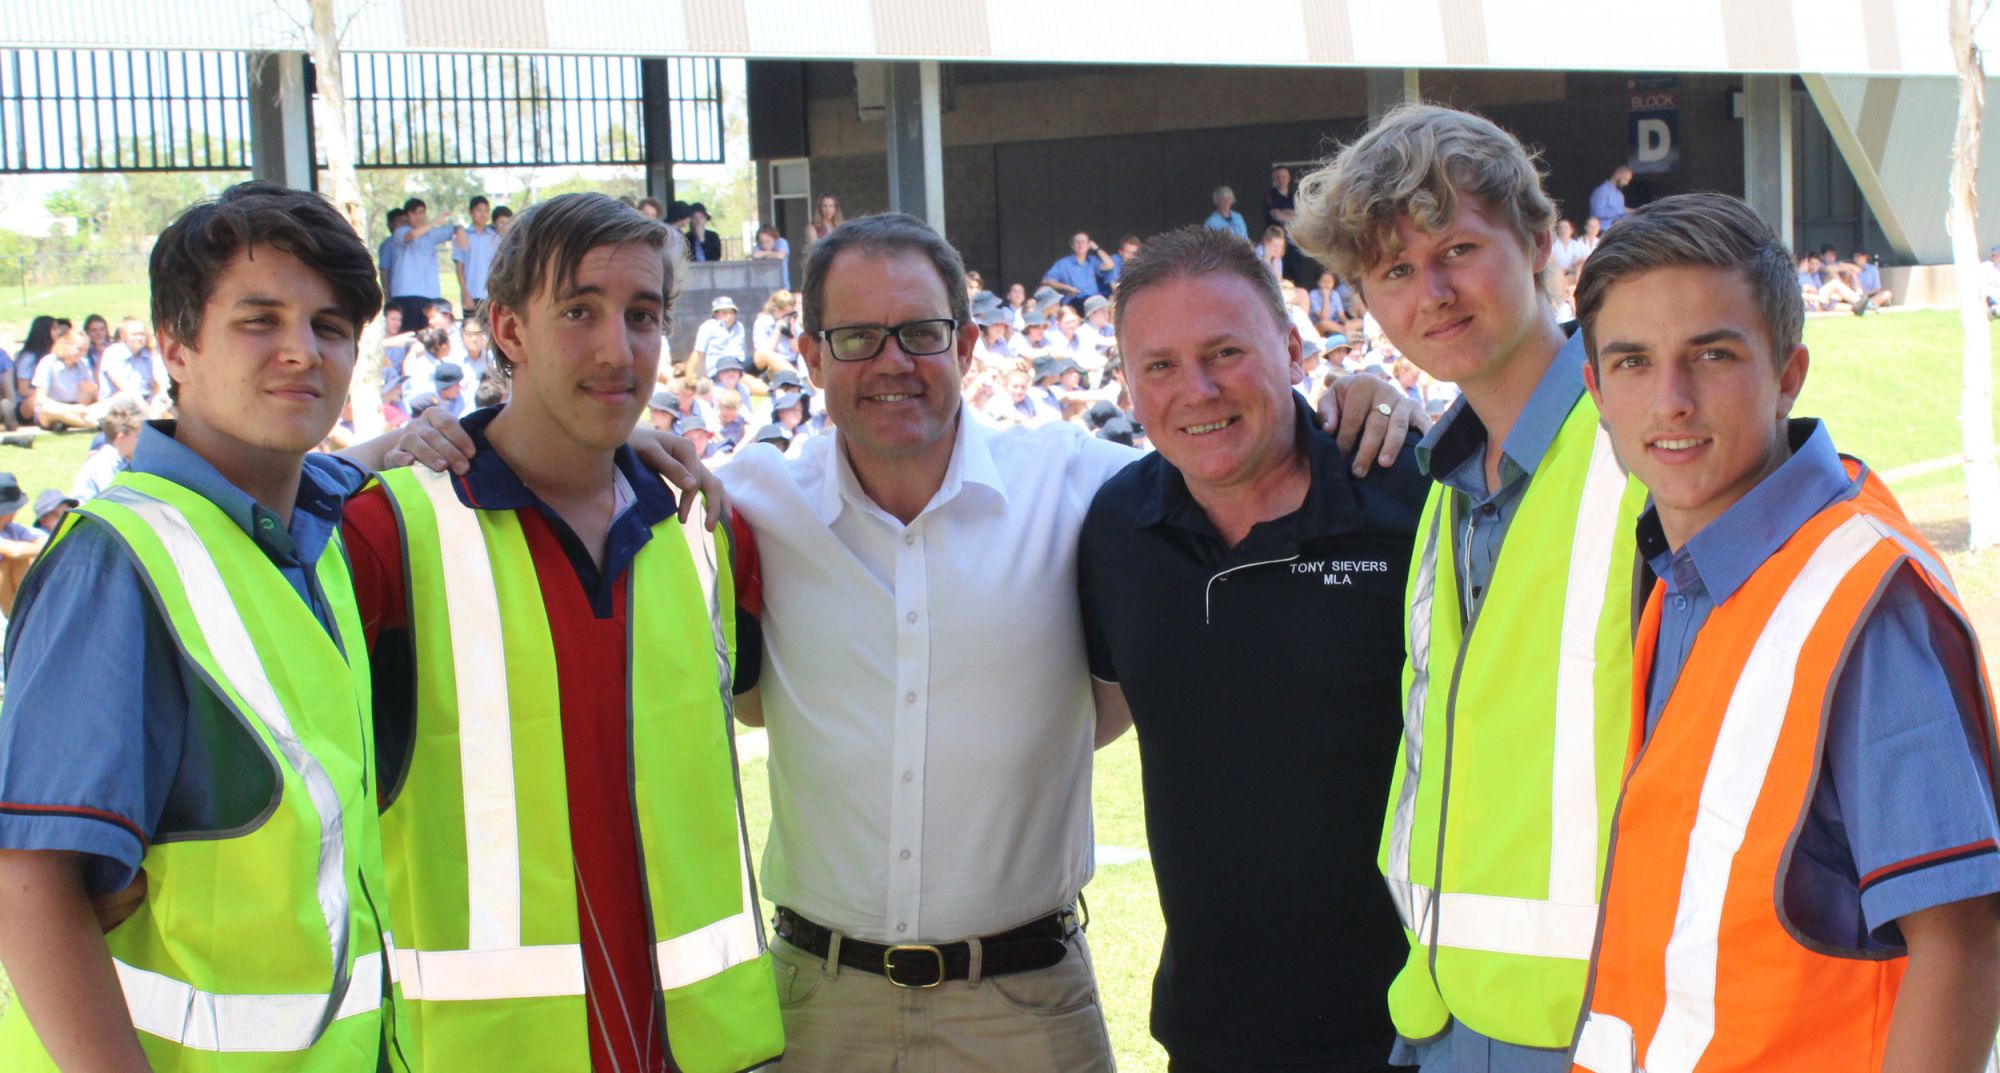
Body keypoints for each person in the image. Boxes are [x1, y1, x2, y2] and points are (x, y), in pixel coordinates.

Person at [341, 192, 784, 1071]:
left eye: (642, 316)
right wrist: (370, 455)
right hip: (486, 1054)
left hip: (701, 1047)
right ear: (508, 328)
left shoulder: (705, 526)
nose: (618, 349)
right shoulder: (389, 530)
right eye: (579, 311)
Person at [1570, 192, 2000, 1073]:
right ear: (1597, 391)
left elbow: (1963, 943)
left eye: (1712, 355)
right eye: (1633, 362)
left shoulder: (1861, 597)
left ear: (1789, 372)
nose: (1671, 400)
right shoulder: (1684, 573)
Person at [0, 180, 395, 1068]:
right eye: (260, 321)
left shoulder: (306, 532)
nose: (302, 351)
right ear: (175, 346)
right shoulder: (118, 562)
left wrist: (614, 443)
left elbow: (355, 468)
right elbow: (27, 882)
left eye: (330, 326)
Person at [1292, 102, 1652, 1071]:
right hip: (1445, 1016)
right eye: (1394, 271)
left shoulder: (1648, 447)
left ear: (1537, 241)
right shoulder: (1444, 484)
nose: (1433, 293)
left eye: (1456, 249)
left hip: (1608, 1027)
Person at [1077, 225, 1429, 1073]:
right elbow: (1093, 710)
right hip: (1211, 1037)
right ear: (1128, 381)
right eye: (1160, 365)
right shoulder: (1117, 525)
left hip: (1416, 1036)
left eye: (1225, 352)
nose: (1195, 390)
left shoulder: (1411, 493)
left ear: (1295, 349)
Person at [390, 196, 460, 326]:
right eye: (414, 213)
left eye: (421, 212)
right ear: (407, 216)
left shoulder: (432, 234)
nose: (418, 216)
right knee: (409, 332)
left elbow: (454, 230)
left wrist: (459, 230)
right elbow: (411, 236)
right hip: (407, 294)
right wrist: (435, 221)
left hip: (430, 295)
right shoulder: (400, 232)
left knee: (427, 333)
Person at [70, 398, 146, 501]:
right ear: (120, 438)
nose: (144, 440)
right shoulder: (105, 462)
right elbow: (113, 501)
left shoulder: (124, 460)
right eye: (139, 436)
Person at [31, 321, 102, 430]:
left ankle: (69, 421)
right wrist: (70, 409)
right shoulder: (48, 362)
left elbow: (93, 396)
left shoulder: (84, 364)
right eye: (79, 349)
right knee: (46, 409)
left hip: (78, 407)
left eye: (85, 351)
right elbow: (40, 399)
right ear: (66, 345)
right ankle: (93, 424)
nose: (82, 354)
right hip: (55, 407)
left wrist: (93, 389)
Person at [97, 316, 164, 410]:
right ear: (123, 336)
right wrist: (147, 411)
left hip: (144, 400)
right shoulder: (113, 353)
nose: (139, 338)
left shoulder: (148, 355)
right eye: (134, 335)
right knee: (126, 396)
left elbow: (156, 385)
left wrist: (155, 402)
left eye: (142, 334)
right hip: (118, 403)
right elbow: (126, 388)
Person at [451, 194, 501, 319]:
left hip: (491, 295)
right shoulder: (463, 236)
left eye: (486, 211)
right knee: (471, 328)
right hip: (471, 294)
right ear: (471, 212)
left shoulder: (494, 238)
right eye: (479, 210)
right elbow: (459, 267)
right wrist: (465, 293)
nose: (483, 214)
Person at [1042, 232, 1117, 307]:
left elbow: (1110, 265)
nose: (1080, 244)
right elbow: (1046, 280)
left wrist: (1097, 248)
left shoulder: (1093, 261)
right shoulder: (1063, 263)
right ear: (1072, 246)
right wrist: (1068, 288)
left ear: (1088, 245)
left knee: (1112, 305)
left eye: (1083, 242)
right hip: (1075, 300)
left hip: (1094, 299)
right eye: (1077, 242)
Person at [692, 295, 746, 379]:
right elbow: (698, 353)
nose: (729, 316)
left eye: (731, 312)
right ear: (716, 314)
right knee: (747, 380)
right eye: (724, 313)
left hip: (739, 365)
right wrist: (690, 374)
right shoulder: (708, 327)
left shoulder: (739, 327)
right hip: (719, 369)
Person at [751, 224, 794, 291]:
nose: (765, 245)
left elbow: (780, 256)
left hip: (781, 286)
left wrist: (763, 255)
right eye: (761, 242)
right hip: (763, 287)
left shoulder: (782, 242)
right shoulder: (757, 246)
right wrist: (772, 253)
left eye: (768, 242)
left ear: (775, 239)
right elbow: (755, 255)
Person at [1589, 165, 1632, 230]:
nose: (1626, 183)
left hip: (1617, 231)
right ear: (1617, 174)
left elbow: (1621, 216)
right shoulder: (1602, 190)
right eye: (1625, 179)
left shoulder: (1620, 195)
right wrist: (1622, 210)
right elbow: (1598, 212)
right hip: (1602, 232)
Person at [380, 206, 407, 294]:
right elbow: (384, 270)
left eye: (405, 222)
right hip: (398, 292)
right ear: (390, 224)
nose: (403, 224)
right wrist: (386, 292)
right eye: (399, 221)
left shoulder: (414, 241)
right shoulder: (388, 244)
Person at [1264, 164, 1297, 230]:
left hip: (1294, 233)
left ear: (1289, 178)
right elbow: (1276, 215)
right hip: (1276, 233)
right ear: (1274, 179)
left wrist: (1283, 212)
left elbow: (1301, 215)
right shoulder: (1269, 195)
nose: (1281, 180)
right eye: (1277, 177)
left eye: (1284, 177)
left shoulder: (1295, 195)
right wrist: (1293, 217)